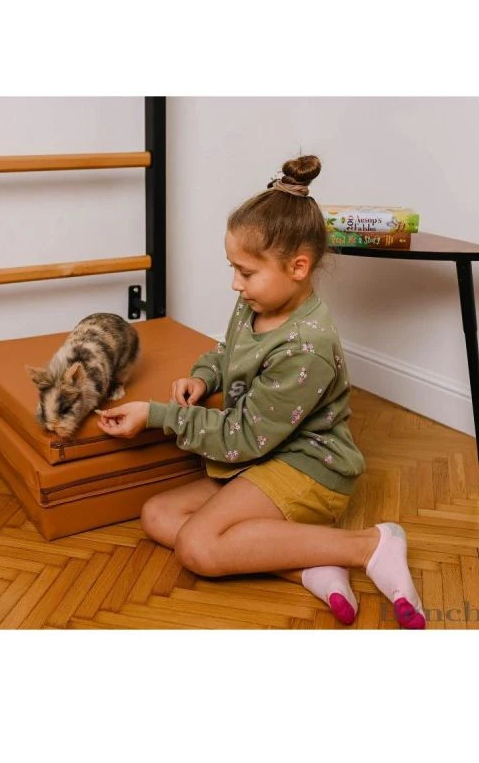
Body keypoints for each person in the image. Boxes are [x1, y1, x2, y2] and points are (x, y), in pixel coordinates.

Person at [96, 154, 425, 629]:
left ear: (298, 267)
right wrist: (204, 377)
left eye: (246, 273)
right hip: (263, 455)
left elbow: (243, 436)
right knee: (158, 514)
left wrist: (157, 415)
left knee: (197, 545)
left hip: (306, 467)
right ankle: (310, 564)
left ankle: (370, 545)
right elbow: (228, 351)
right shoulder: (255, 304)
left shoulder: (306, 346)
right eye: (233, 268)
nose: (236, 284)